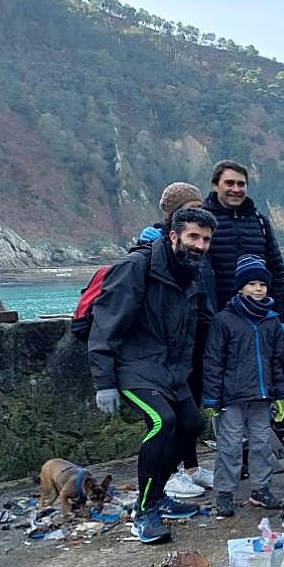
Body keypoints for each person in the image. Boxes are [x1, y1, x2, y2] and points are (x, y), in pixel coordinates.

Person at [88, 208, 217, 543]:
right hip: (134, 367)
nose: (200, 245)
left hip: (171, 372)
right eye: (193, 237)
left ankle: (157, 494)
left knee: (192, 424)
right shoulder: (136, 268)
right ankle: (143, 512)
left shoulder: (191, 274)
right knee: (162, 422)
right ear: (173, 236)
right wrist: (104, 382)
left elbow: (200, 325)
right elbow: (105, 324)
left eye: (205, 239)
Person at [149, 182, 222, 499]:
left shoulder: (201, 245)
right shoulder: (157, 246)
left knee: (192, 409)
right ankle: (168, 474)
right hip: (169, 346)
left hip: (198, 338)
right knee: (169, 414)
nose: (197, 212)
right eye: (189, 208)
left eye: (200, 206)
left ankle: (190, 467)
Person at [202, 255, 284, 516]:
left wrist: (280, 394)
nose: (258, 289)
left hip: (262, 397)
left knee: (262, 444)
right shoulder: (224, 320)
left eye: (262, 284)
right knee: (229, 446)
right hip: (232, 397)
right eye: (252, 284)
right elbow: (213, 361)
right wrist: (210, 399)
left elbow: (277, 361)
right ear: (240, 287)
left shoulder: (271, 321)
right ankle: (225, 492)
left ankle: (261, 490)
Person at [201, 160, 284, 324]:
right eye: (229, 183)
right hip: (217, 317)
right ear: (215, 185)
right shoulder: (202, 222)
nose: (236, 189)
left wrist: (283, 317)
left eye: (241, 184)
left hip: (258, 317)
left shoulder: (260, 222)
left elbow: (276, 270)